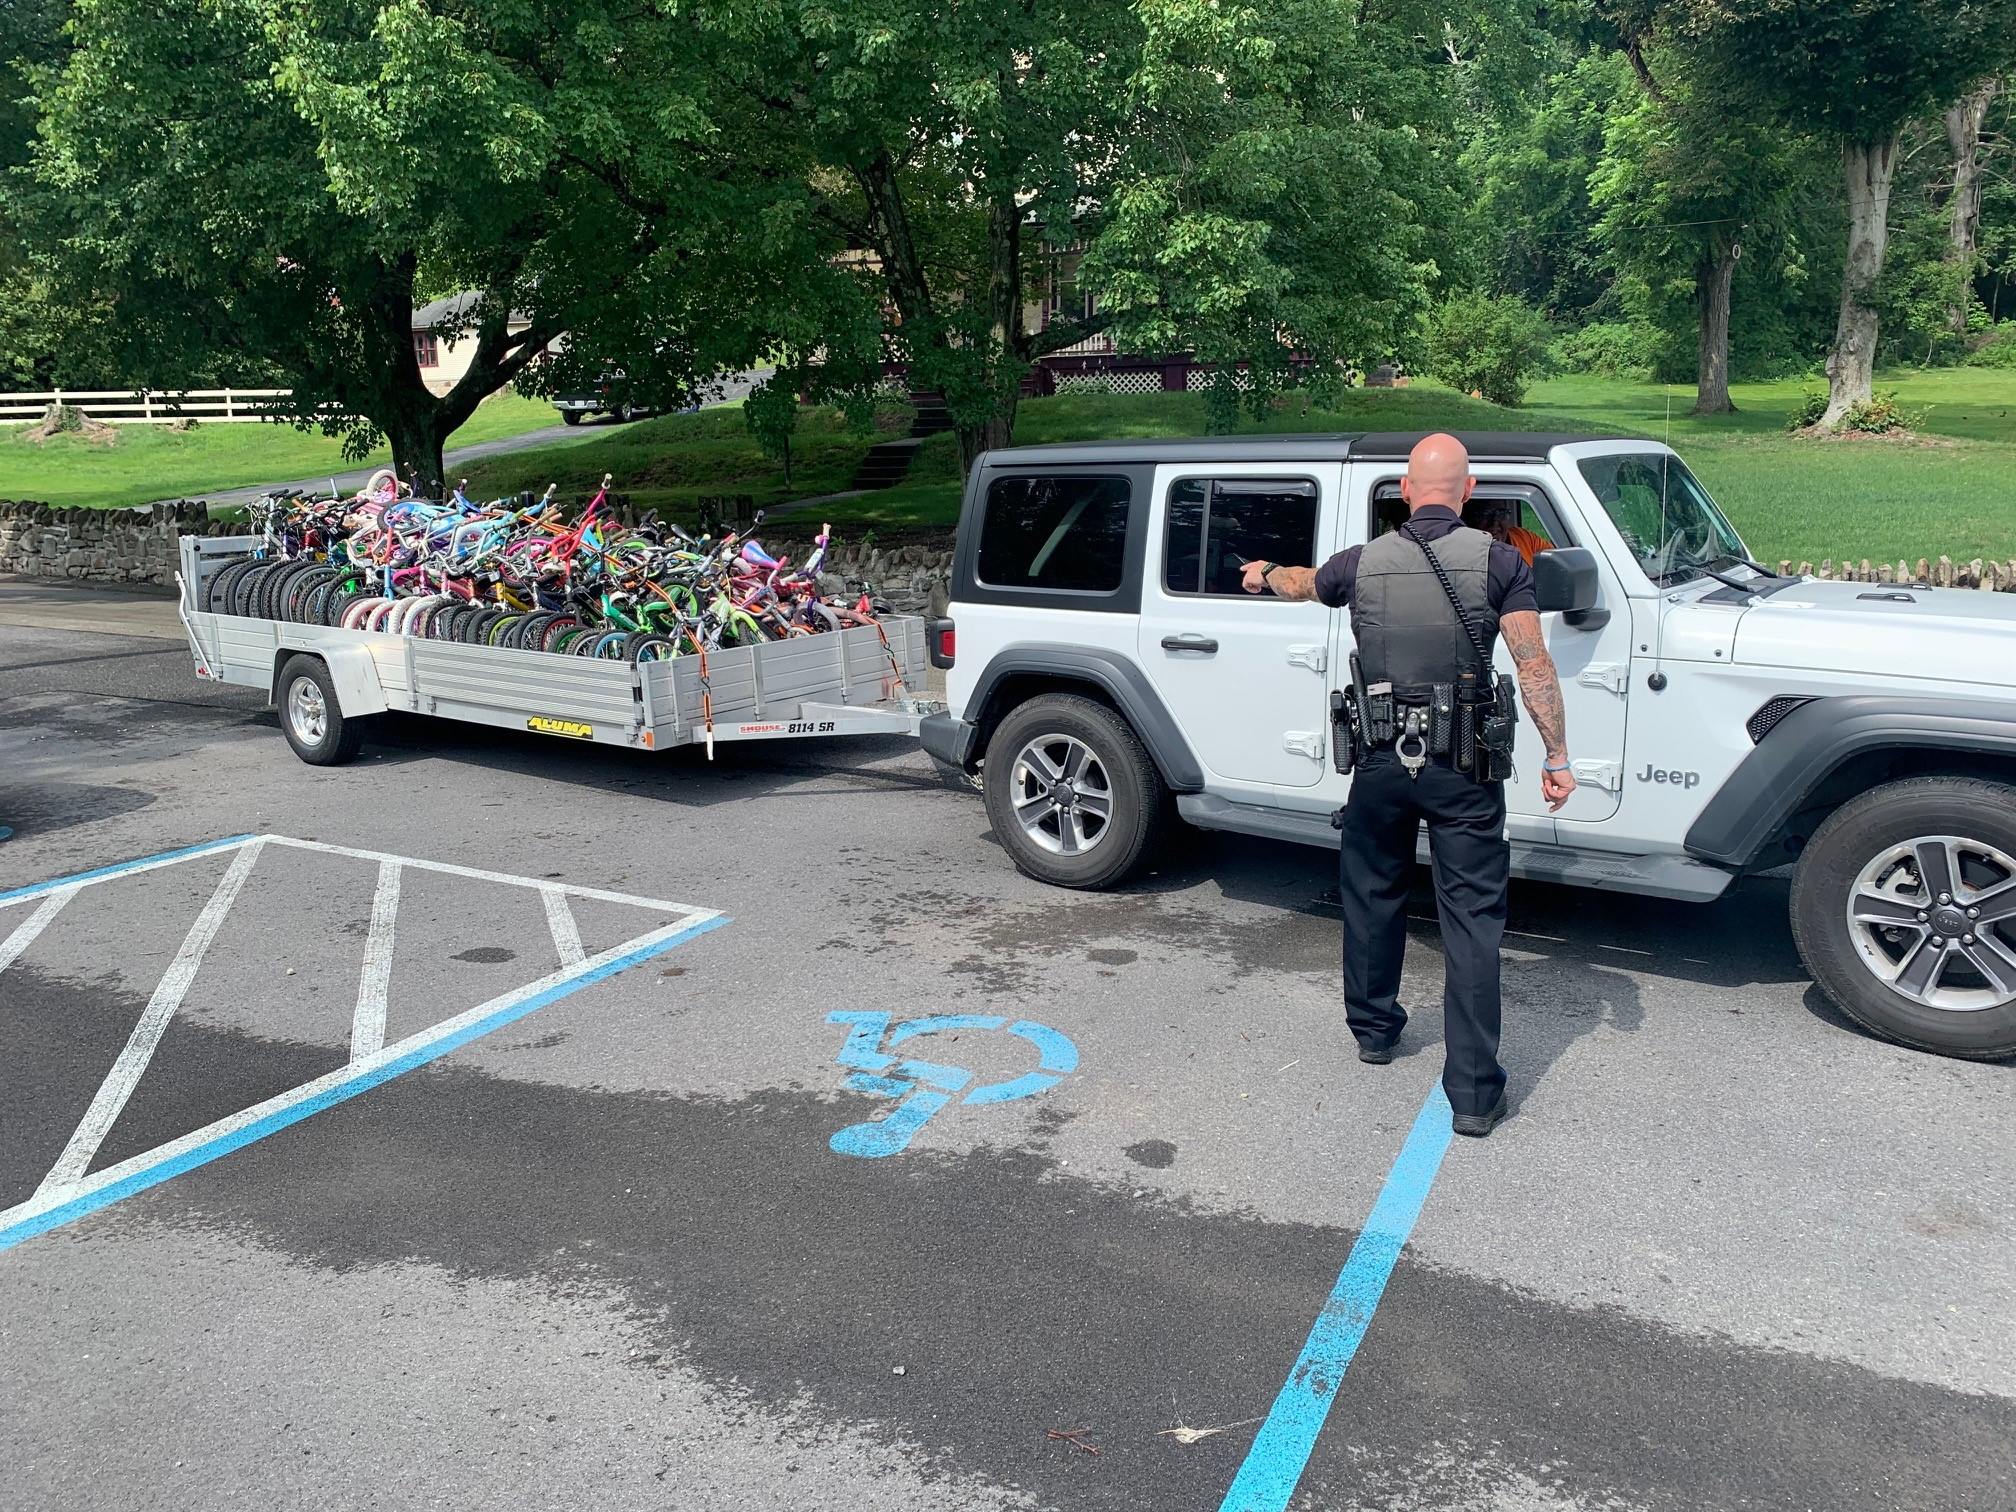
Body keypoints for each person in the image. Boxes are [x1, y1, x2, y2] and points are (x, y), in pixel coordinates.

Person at [1240, 434, 1575, 1137]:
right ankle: (1477, 1096)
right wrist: (1558, 756)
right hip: (1462, 767)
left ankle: (1373, 1031)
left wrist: (1264, 570)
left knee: (1371, 893)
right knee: (1473, 923)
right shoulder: (1500, 561)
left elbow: (1302, 583)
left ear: (1402, 489)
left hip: (1380, 761)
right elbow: (1532, 662)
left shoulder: (1362, 563)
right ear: (1469, 490)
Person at [1464, 498, 1553, 567]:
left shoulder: (1523, 538)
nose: (1495, 522)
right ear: (1471, 519)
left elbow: (1556, 559)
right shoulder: (1464, 553)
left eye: (1501, 514)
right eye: (1486, 514)